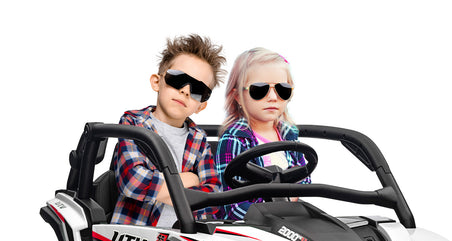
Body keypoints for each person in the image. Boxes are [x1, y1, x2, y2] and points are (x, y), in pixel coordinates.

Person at [111, 35, 226, 226]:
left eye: (198, 89)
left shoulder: (199, 139)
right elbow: (133, 183)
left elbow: (212, 198)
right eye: (178, 79)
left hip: (185, 237)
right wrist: (191, 179)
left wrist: (161, 187)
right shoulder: (133, 123)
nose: (185, 91)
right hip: (137, 236)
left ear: (201, 105)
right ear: (157, 82)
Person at [215, 48, 310, 220]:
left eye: (282, 89)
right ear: (237, 96)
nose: (273, 97)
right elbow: (231, 204)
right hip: (251, 226)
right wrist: (270, 217)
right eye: (259, 89)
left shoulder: (290, 136)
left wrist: (294, 193)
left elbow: (305, 179)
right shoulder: (234, 140)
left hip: (289, 220)